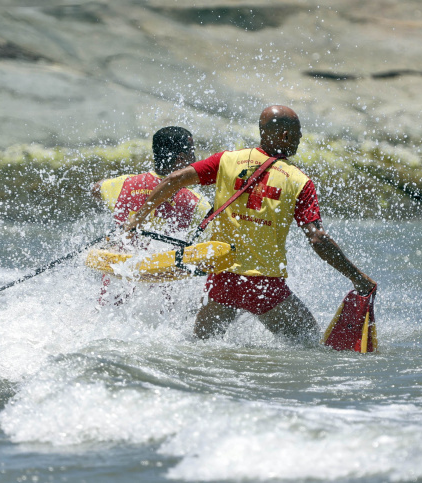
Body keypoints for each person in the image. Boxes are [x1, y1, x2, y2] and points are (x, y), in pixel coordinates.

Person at [124, 105, 376, 344]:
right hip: (265, 287)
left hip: (223, 280)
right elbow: (318, 238)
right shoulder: (299, 181)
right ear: (286, 135)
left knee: (200, 346)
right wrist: (357, 277)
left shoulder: (227, 161)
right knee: (310, 343)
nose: (299, 139)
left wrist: (139, 216)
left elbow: (176, 178)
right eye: (298, 134)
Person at [92, 126, 210, 306]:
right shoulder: (197, 203)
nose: (195, 160)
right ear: (181, 159)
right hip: (159, 306)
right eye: (192, 154)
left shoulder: (123, 184)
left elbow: (95, 189)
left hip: (116, 291)